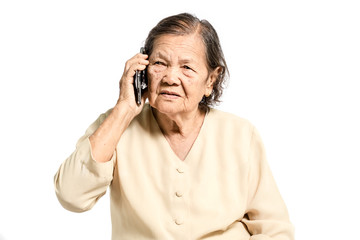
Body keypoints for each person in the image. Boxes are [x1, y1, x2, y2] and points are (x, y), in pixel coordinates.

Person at [54, 13, 294, 240]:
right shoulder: (116, 126)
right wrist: (124, 109)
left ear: (211, 80)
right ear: (142, 70)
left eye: (187, 68)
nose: (170, 78)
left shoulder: (240, 135)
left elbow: (275, 229)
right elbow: (71, 196)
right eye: (159, 63)